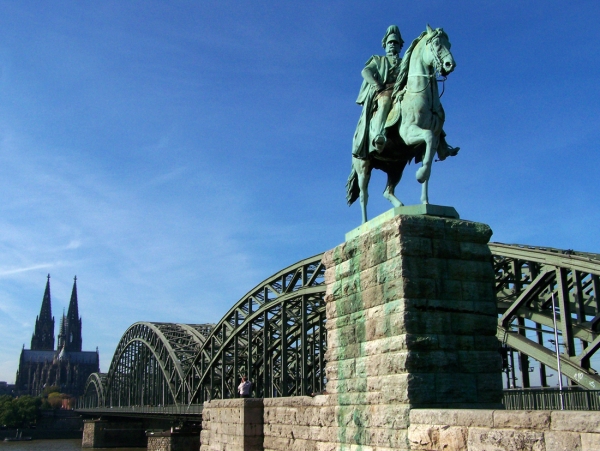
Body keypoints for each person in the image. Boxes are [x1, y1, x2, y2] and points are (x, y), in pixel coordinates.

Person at [352, 25, 404, 158]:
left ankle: (441, 142)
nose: (392, 45)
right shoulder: (378, 60)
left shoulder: (405, 62)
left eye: (395, 42)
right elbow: (366, 71)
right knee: (385, 102)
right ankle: (379, 134)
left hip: (401, 92)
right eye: (390, 42)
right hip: (383, 90)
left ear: (399, 46)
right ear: (385, 46)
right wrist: (376, 85)